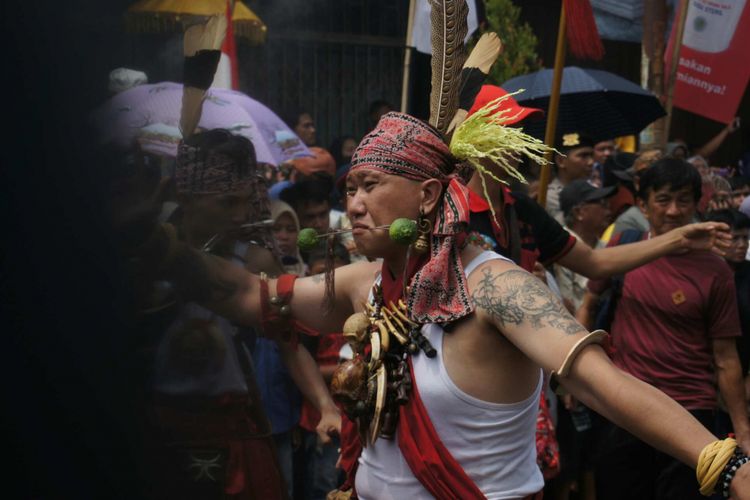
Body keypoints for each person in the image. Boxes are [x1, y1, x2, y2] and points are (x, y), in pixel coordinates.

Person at [123, 109, 750, 499]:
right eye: (352, 188)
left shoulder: (495, 285)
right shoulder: (364, 281)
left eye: (372, 185)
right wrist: (159, 242)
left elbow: (600, 381)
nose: (357, 202)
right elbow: (246, 295)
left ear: (426, 196)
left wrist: (722, 462)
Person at [142, 129, 340, 500]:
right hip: (154, 423)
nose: (238, 215)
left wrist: (326, 406)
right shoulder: (151, 251)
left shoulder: (254, 260)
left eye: (244, 202)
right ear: (186, 197)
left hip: (229, 426)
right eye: (225, 202)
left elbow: (287, 341)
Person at [580, 159, 749, 500]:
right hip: (624, 407)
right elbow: (588, 304)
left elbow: (725, 357)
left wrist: (743, 431)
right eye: (663, 199)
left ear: (696, 204)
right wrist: (578, 376)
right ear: (643, 204)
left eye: (683, 200)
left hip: (689, 414)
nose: (673, 210)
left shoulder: (716, 271)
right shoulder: (622, 250)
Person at [546, 131, 596, 224]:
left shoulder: (595, 188)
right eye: (583, 156)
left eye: (592, 156)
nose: (591, 162)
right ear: (561, 161)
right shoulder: (550, 196)